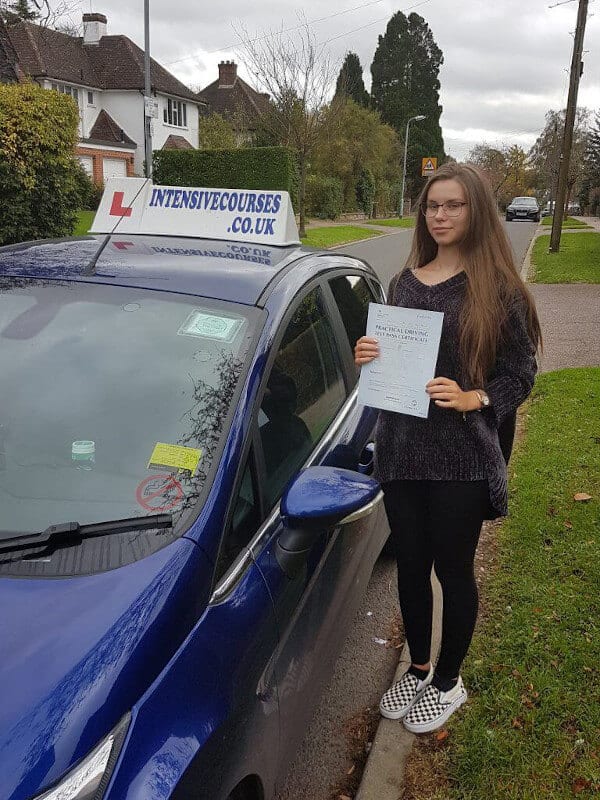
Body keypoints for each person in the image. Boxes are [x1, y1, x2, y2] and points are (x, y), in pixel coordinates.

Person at [354, 163, 541, 734]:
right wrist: (369, 353)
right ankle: (416, 665)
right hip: (402, 450)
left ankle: (447, 681)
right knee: (410, 565)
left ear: (475, 210)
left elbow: (520, 373)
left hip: (461, 455)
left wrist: (475, 398)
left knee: (453, 569)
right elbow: (391, 363)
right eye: (433, 205)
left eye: (453, 205)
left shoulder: (498, 290)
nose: (440, 215)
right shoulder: (405, 282)